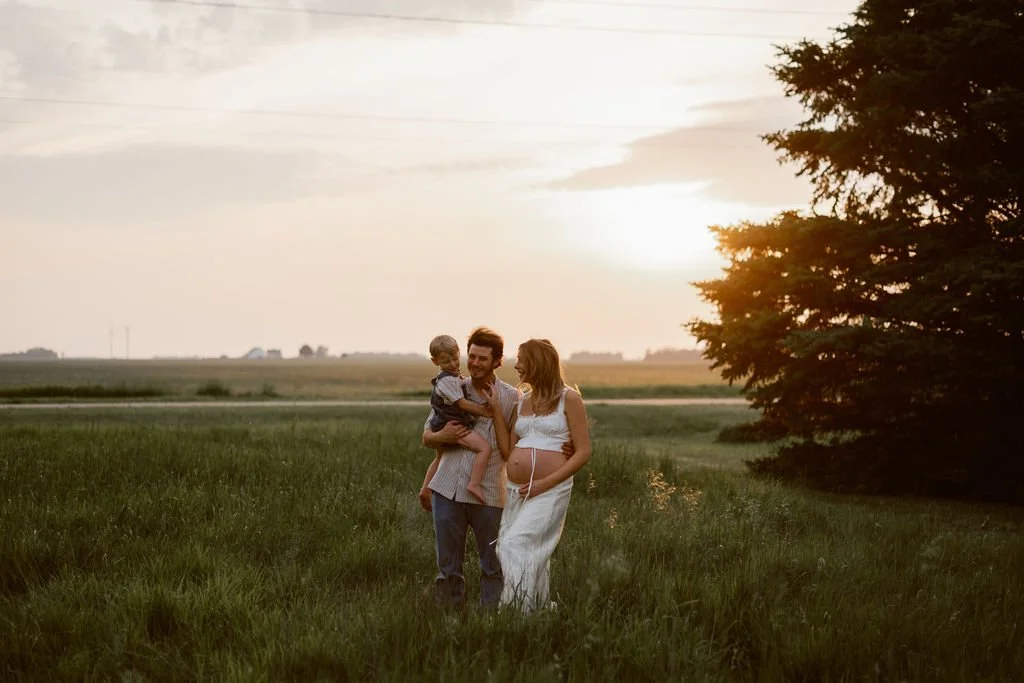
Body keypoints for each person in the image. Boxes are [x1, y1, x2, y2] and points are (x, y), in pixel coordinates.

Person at [419, 327, 521, 611]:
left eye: (482, 359)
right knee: (448, 567)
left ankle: (490, 621)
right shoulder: (452, 388)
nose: (474, 363)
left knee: (493, 565)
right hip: (447, 489)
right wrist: (443, 437)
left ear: (497, 361)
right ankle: (450, 622)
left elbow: (512, 449)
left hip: (488, 493)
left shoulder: (512, 398)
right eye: (471, 356)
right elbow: (427, 436)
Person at [489, 338, 592, 613]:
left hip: (550, 489)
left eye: (521, 359)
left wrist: (543, 483)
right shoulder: (523, 401)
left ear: (537, 362)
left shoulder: (569, 398)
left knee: (513, 544)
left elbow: (583, 451)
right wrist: (497, 412)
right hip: (517, 490)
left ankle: (514, 614)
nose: (517, 365)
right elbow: (509, 450)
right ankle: (539, 611)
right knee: (531, 552)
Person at [422, 334, 493, 503]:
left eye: (455, 359)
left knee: (440, 458)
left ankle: (425, 490)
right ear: (435, 362)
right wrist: (483, 411)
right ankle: (474, 484)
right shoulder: (447, 381)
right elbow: (461, 404)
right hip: (453, 426)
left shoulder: (454, 378)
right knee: (484, 448)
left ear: (459, 353)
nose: (453, 364)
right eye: (446, 362)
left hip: (443, 423)